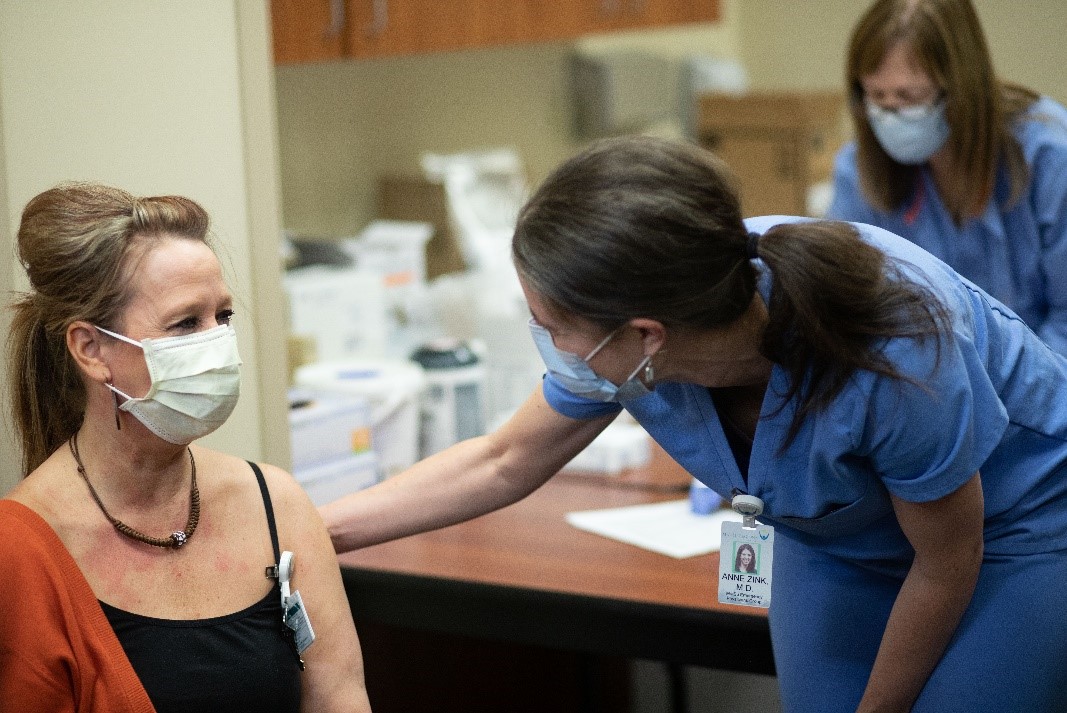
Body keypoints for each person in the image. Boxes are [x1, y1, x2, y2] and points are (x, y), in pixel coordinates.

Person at [320, 135, 1067, 712]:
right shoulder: (644, 325)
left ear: (644, 335)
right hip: (835, 536)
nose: (549, 344)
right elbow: (501, 460)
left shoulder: (895, 343)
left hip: (1007, 529)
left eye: (553, 325)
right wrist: (308, 527)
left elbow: (946, 559)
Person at [1, 183, 372, 712]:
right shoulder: (22, 547)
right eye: (184, 324)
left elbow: (339, 695)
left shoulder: (275, 502)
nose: (216, 344)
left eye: (222, 317)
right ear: (91, 349)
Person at [826, 0, 1067, 356]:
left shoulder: (1047, 156)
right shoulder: (859, 171)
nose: (891, 116)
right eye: (877, 97)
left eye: (910, 97)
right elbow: (847, 309)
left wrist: (1003, 401)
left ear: (961, 86)